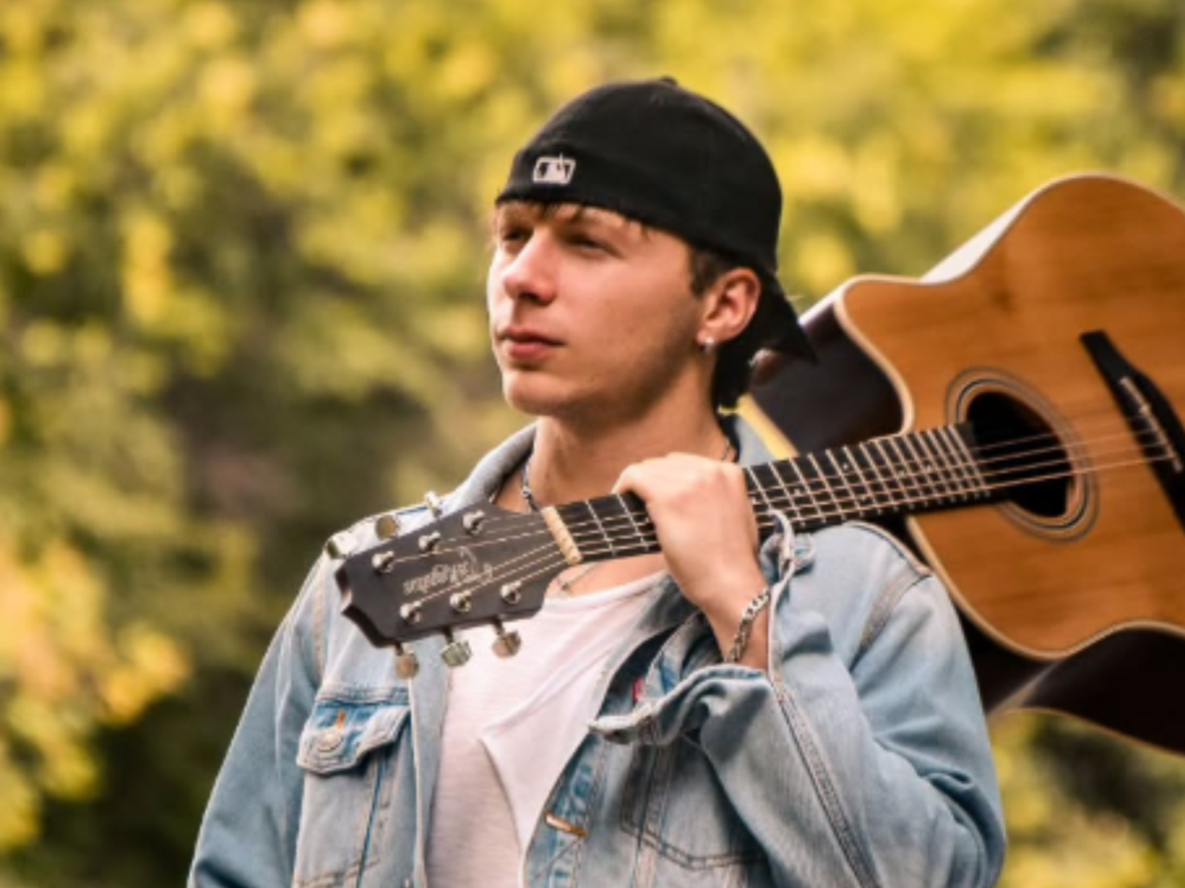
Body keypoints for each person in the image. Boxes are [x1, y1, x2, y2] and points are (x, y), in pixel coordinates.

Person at [189, 77, 1006, 888]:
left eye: (586, 243)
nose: (522, 277)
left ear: (722, 306)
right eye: (512, 236)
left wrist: (744, 613)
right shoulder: (369, 580)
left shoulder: (867, 598)